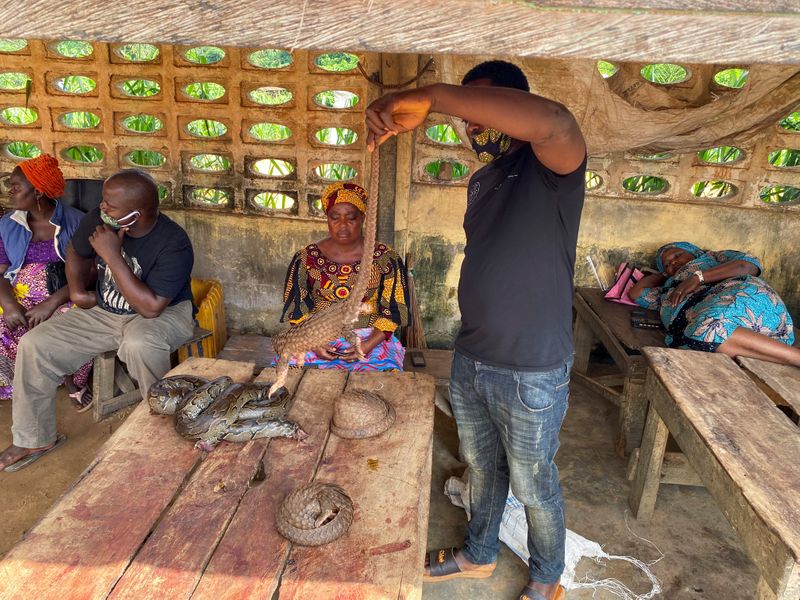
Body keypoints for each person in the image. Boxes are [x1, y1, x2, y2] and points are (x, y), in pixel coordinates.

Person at [366, 61, 586, 600]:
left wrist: (438, 95)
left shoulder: (552, 169)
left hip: (533, 365)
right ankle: (478, 555)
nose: (472, 124)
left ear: (511, 107)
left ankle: (546, 578)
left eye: (477, 108)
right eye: (467, 115)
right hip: (473, 355)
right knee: (483, 469)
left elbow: (554, 120)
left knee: (534, 484)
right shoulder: (485, 178)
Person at [0, 169, 195, 472]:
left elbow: (151, 307)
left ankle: (167, 429)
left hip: (164, 314)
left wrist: (112, 254)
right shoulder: (100, 218)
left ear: (137, 213)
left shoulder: (174, 242)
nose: (102, 208)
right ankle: (34, 437)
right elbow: (75, 251)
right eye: (103, 202)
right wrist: (77, 292)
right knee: (36, 343)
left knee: (139, 343)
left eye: (111, 205)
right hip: (106, 311)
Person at [277, 181, 409, 370]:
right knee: (290, 375)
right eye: (335, 217)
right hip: (315, 336)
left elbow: (394, 312)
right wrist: (314, 344)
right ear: (327, 219)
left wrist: (365, 346)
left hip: (370, 337)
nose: (343, 225)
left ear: (363, 218)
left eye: (351, 218)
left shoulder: (385, 259)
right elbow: (297, 309)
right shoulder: (306, 259)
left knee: (382, 379)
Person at [0, 155, 92, 407]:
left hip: (64, 294)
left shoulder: (76, 222)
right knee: (3, 324)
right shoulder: (7, 225)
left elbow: (90, 271)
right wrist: (9, 304)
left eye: (16, 186)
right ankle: (14, 383)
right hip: (18, 296)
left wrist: (50, 304)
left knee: (74, 321)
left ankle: (73, 380)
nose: (10, 191)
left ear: (38, 191)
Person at [629, 241, 799, 366]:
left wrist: (697, 277)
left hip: (745, 298)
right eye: (667, 264)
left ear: (695, 252)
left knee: (709, 327)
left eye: (677, 255)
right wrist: (665, 275)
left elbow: (748, 266)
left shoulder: (713, 258)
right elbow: (636, 293)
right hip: (707, 330)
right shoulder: (667, 290)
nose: (673, 262)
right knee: (700, 339)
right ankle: (780, 354)